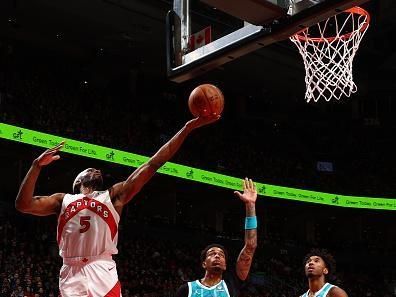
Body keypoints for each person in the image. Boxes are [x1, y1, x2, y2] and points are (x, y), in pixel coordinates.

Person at [15, 115, 219, 297]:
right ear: (78, 182)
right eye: (89, 169)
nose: (95, 169)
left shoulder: (113, 196)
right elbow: (23, 205)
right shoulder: (63, 200)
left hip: (102, 269)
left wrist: (187, 128)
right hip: (71, 272)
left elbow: (153, 164)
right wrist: (35, 166)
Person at [176, 178, 258, 297]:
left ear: (225, 265)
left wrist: (250, 205)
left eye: (221, 254)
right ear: (204, 263)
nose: (217, 255)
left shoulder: (232, 283)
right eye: (211, 253)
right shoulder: (186, 289)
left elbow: (250, 246)